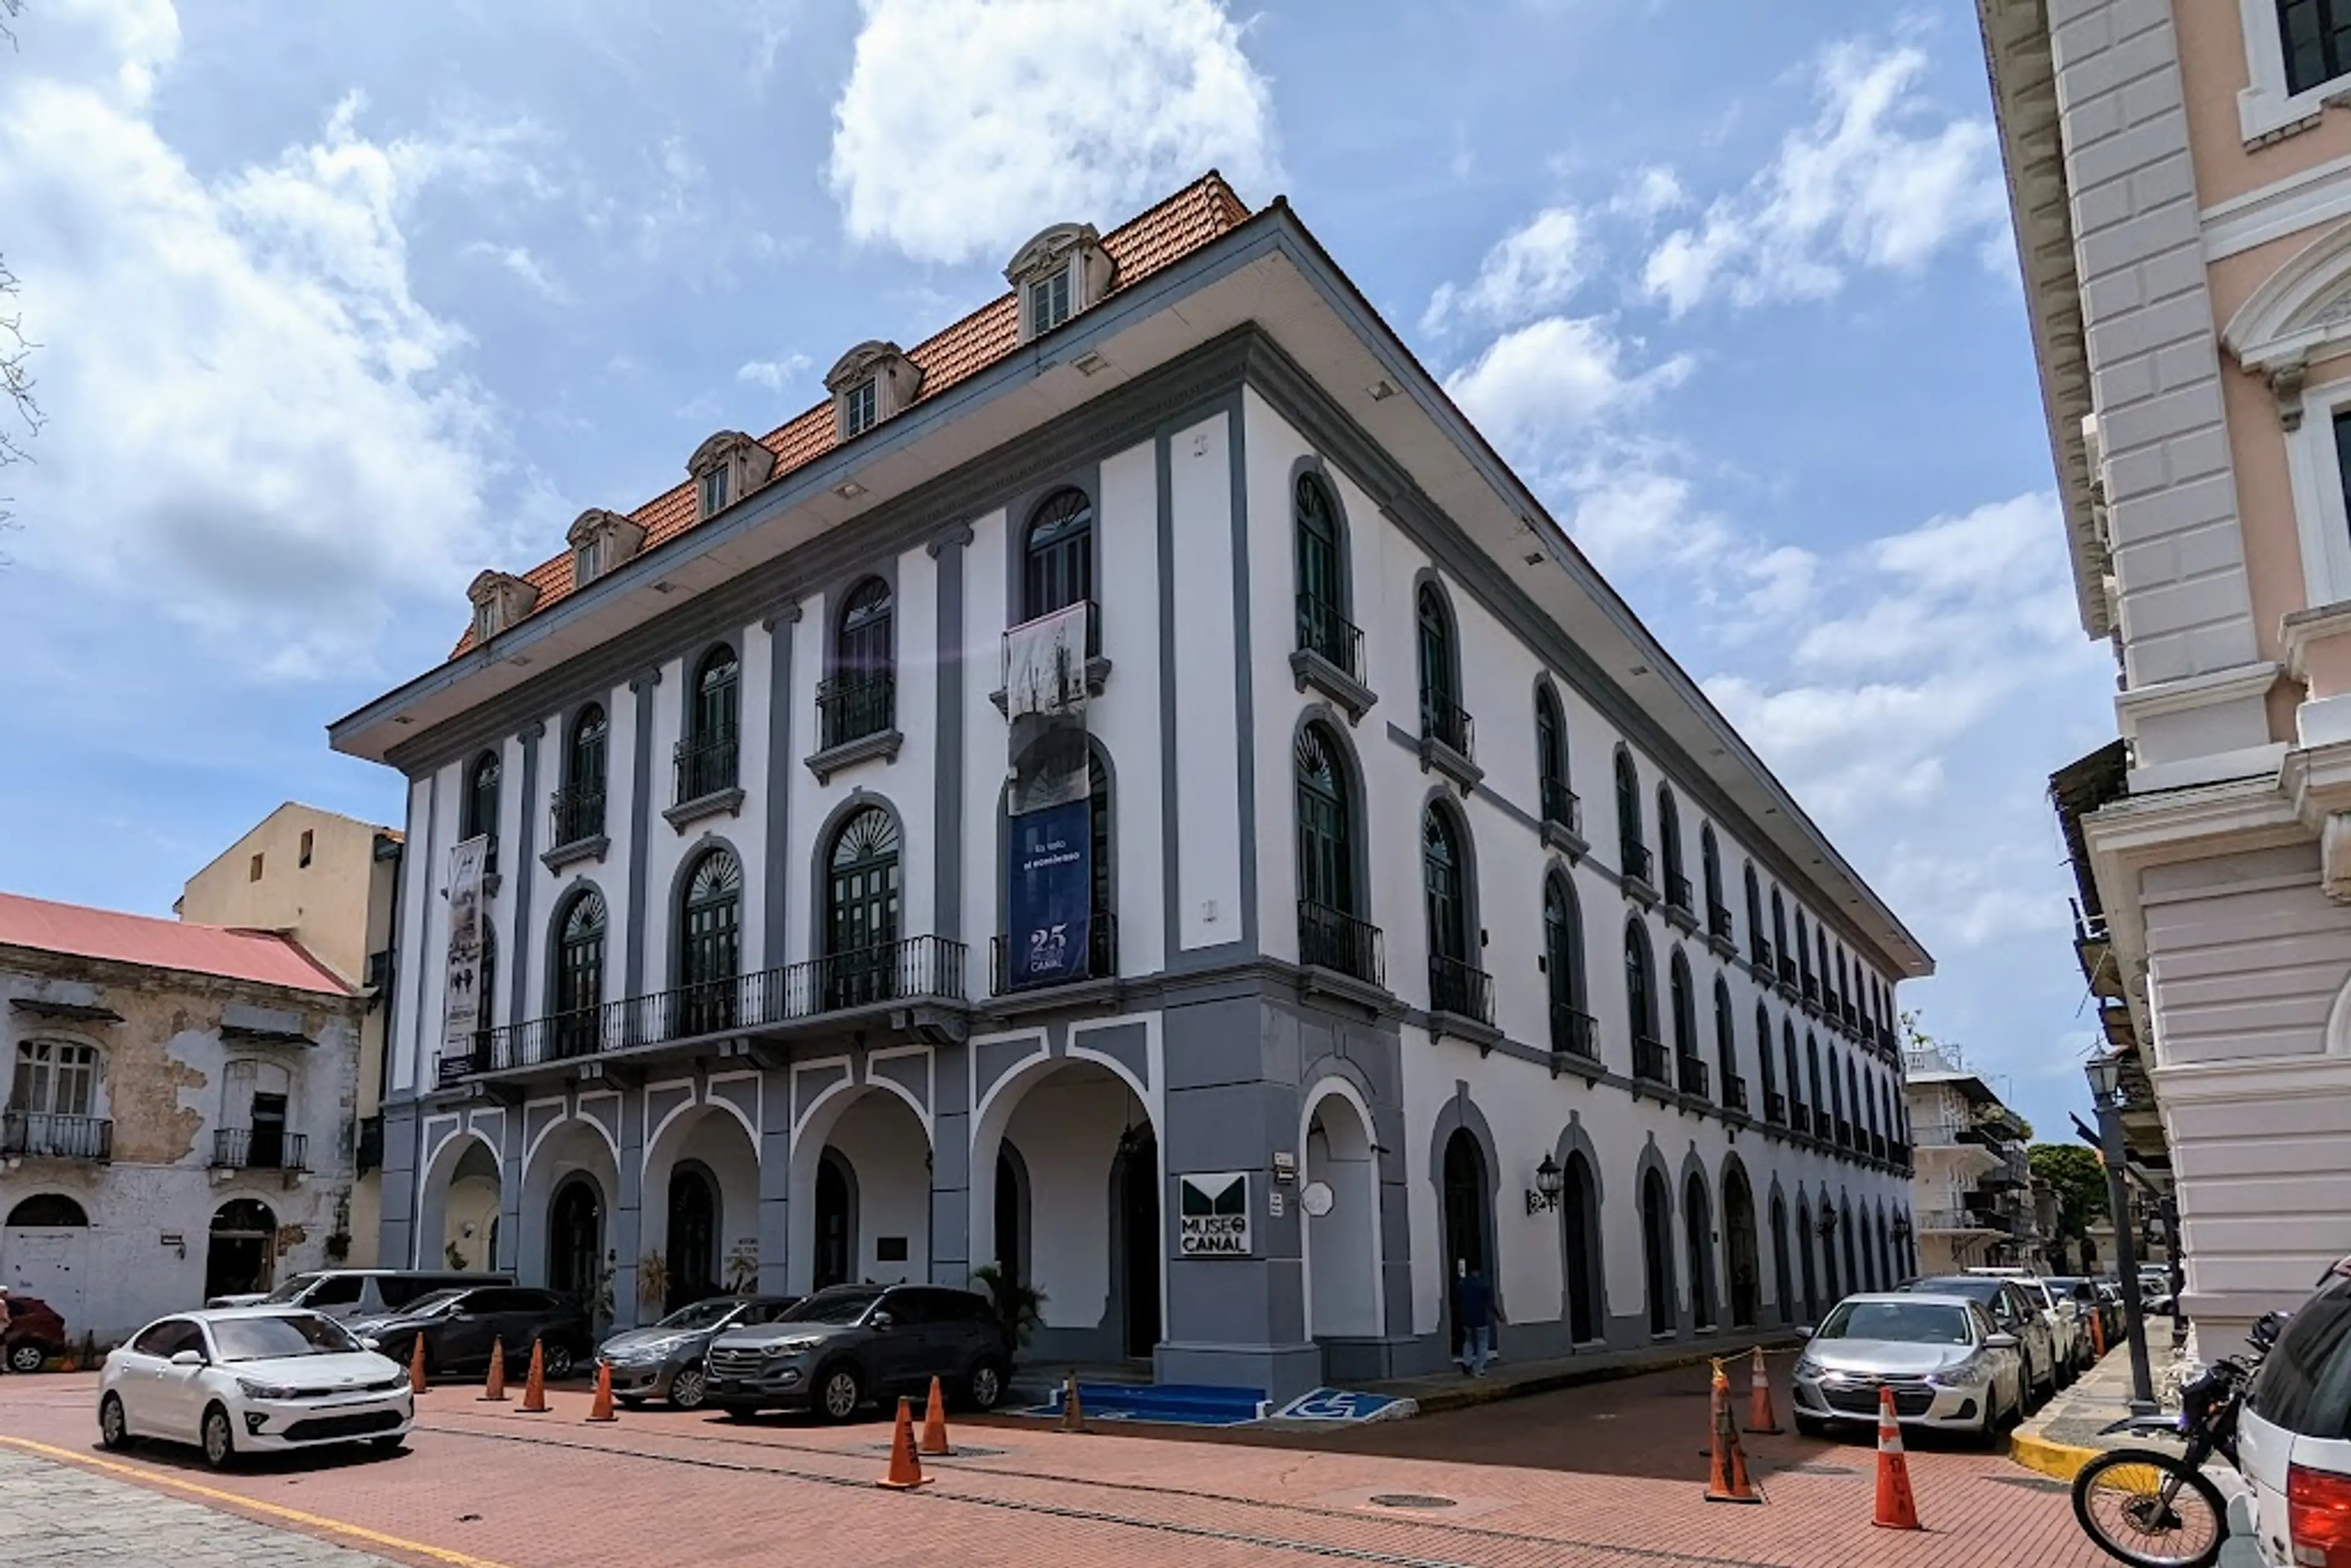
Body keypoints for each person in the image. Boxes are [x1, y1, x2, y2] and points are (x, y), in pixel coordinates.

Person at [1454, 1263, 1494, 1377]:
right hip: (1480, 1318)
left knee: (1468, 1342)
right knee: (1483, 1344)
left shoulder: (1461, 1285)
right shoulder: (1483, 1285)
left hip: (1467, 1319)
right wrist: (1498, 1315)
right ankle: (1479, 1368)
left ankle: (1467, 1363)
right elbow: (1489, 1302)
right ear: (1478, 1272)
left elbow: (1457, 1301)